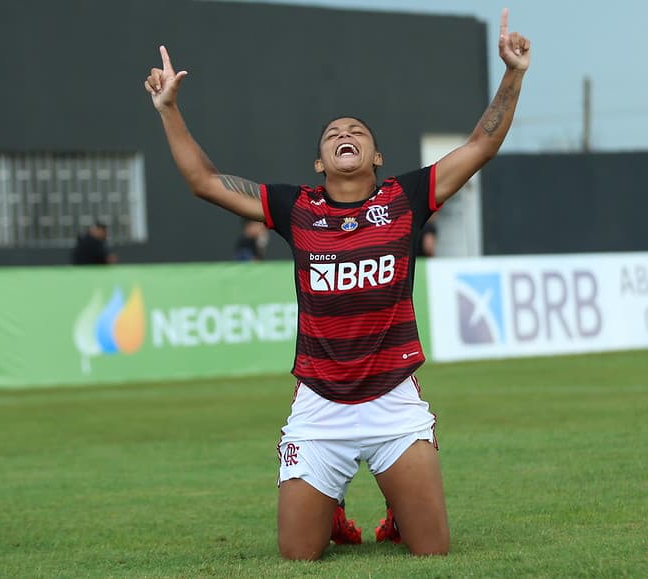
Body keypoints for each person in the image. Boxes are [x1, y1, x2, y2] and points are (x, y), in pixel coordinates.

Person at [144, 8, 529, 560]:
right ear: (320, 162)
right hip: (318, 407)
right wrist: (169, 110)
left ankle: (398, 509)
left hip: (394, 401)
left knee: (433, 551)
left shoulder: (407, 197)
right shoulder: (295, 207)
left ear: (377, 157)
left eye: (357, 133)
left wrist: (512, 73)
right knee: (298, 556)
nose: (344, 135)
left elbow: (480, 145)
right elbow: (204, 181)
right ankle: (333, 510)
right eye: (332, 135)